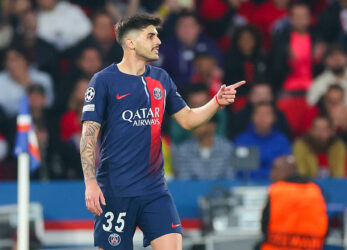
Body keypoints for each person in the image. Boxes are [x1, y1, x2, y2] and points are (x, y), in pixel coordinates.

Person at [80, 14, 245, 250]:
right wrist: (90, 183)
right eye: (151, 36)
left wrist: (216, 102)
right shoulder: (103, 81)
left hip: (154, 189)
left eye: (157, 35)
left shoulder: (161, 78)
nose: (158, 41)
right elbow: (88, 135)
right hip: (116, 190)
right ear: (131, 43)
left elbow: (187, 119)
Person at [258, 155, 328, 250]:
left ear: (287, 170)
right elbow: (326, 226)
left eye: (274, 169)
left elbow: (264, 224)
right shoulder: (315, 190)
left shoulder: (278, 190)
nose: (271, 175)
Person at [233, 102, 291, 179]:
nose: (263, 118)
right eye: (259, 114)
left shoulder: (282, 141)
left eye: (267, 114)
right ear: (252, 117)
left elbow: (286, 169)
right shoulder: (242, 140)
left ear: (274, 118)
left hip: (276, 185)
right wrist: (270, 173)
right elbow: (240, 171)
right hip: (247, 186)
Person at [172, 115, 234, 179]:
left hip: (221, 189)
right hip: (193, 189)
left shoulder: (227, 148)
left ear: (212, 126)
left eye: (198, 122)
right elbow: (184, 181)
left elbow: (230, 179)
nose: (194, 127)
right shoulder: (183, 150)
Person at [307, 44, 347, 109]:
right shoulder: (318, 84)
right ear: (325, 61)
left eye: (340, 55)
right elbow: (312, 105)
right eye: (332, 56)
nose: (337, 59)